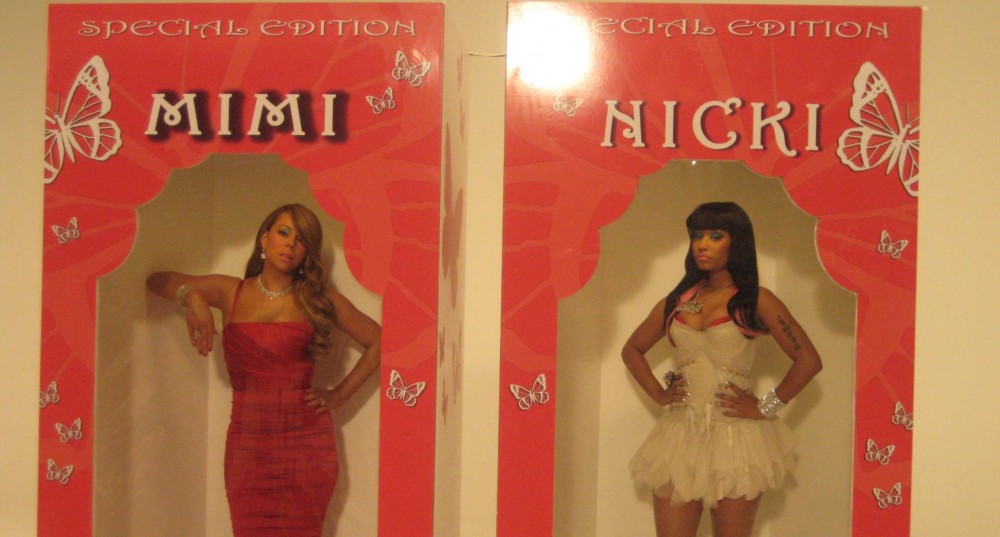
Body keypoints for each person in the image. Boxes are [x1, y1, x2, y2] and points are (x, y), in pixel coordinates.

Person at [146, 203, 381, 537]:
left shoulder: (318, 300)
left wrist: (339, 395)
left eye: (301, 240)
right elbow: (157, 280)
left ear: (307, 253)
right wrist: (192, 297)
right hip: (248, 445)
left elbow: (379, 341)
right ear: (265, 238)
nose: (290, 244)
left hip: (306, 447)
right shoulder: (231, 291)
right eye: (284, 233)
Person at [622, 202, 822, 537]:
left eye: (716, 236)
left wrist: (764, 407)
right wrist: (660, 393)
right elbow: (632, 350)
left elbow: (809, 361)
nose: (702, 244)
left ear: (737, 241)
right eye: (697, 235)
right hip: (680, 435)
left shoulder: (756, 299)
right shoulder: (678, 301)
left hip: (736, 438)